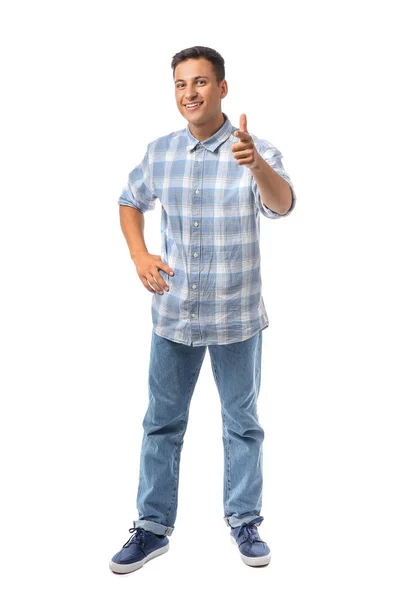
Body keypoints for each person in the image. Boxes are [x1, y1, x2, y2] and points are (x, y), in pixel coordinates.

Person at [109, 45, 296, 574]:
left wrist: (256, 163)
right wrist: (140, 253)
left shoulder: (253, 150)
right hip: (174, 316)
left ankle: (244, 522)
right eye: (180, 84)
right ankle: (151, 528)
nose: (189, 93)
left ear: (222, 88)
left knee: (242, 422)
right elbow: (128, 200)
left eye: (200, 82)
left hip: (237, 315)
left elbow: (282, 205)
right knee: (161, 422)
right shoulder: (160, 152)